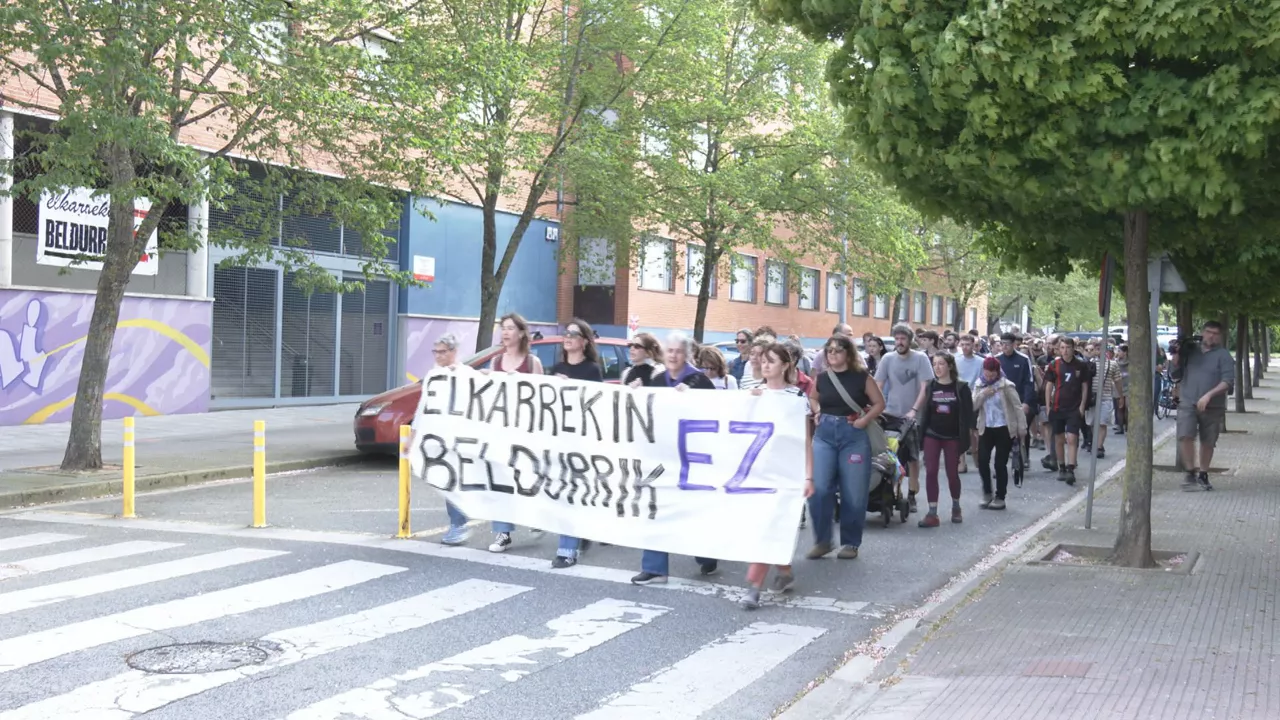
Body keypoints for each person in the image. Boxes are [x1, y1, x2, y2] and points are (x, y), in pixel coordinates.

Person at [632, 332, 718, 585]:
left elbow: (717, 415)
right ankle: (655, 568)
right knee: (655, 507)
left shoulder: (700, 381)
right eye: (669, 351)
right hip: (663, 457)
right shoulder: (658, 381)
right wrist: (636, 394)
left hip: (693, 458)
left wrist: (693, 400)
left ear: (687, 355)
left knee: (693, 510)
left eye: (678, 351)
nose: (673, 355)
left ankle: (707, 553)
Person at [741, 342, 813, 610]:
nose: (766, 364)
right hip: (757, 471)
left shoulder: (796, 399)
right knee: (766, 526)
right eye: (763, 360)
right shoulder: (752, 395)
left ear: (785, 365)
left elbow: (805, 440)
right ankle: (784, 570)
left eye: (772, 360)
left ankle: (754, 586)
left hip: (786, 473)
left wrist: (809, 476)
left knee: (769, 525)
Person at [807, 333, 887, 560]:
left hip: (853, 435)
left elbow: (880, 403)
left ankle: (851, 542)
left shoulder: (861, 377)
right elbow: (813, 398)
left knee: (854, 492)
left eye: (838, 350)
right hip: (824, 436)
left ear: (848, 353)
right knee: (819, 488)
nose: (832, 354)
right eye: (829, 350)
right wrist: (817, 410)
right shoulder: (822, 378)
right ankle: (823, 540)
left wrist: (864, 420)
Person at [547, 319, 604, 568]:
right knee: (564, 495)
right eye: (565, 333)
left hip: (581, 440)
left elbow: (596, 405)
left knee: (571, 493)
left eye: (573, 333)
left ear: (584, 341)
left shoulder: (592, 370)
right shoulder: (557, 367)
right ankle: (583, 531)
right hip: (558, 439)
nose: (567, 337)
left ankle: (567, 551)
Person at [487, 313, 545, 553]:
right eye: (503, 328)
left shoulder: (532, 363)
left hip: (526, 430)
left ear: (521, 333)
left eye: (511, 328)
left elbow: (543, 396)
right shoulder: (496, 362)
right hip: (503, 430)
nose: (506, 332)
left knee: (527, 478)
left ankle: (538, 516)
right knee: (501, 480)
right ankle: (503, 532)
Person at [875, 323, 933, 512]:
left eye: (903, 339)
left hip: (913, 415)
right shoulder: (887, 359)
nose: (899, 342)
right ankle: (892, 492)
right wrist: (877, 407)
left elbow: (925, 388)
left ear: (910, 340)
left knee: (913, 456)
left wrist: (914, 410)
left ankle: (912, 493)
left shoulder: (920, 359)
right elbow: (878, 384)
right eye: (897, 339)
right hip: (890, 413)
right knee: (890, 454)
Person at [1171, 321, 1235, 491]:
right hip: (1188, 401)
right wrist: (1176, 356)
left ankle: (1203, 474)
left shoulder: (1224, 355)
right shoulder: (1191, 351)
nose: (1211, 336)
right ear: (1202, 332)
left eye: (1215, 333)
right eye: (1208, 332)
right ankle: (1190, 472)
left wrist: (1209, 395)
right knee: (1185, 435)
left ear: (1219, 336)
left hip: (1213, 406)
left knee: (1208, 441)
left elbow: (1227, 382)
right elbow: (1174, 373)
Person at [915, 352, 974, 527]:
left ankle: (956, 506)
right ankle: (932, 513)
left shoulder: (961, 387)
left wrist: (968, 437)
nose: (937, 368)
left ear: (949, 366)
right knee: (931, 471)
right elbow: (926, 412)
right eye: (935, 364)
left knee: (952, 473)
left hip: (953, 436)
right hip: (932, 433)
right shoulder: (931, 386)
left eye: (941, 364)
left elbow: (968, 415)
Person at [430, 333, 473, 546]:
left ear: (453, 352)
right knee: (448, 482)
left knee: (455, 481)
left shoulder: (464, 373)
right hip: (442, 439)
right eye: (435, 351)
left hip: (462, 439)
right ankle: (458, 523)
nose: (438, 355)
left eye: (442, 351)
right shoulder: (435, 375)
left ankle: (459, 524)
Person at [972, 356, 1027, 510]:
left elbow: (1017, 407)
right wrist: (983, 394)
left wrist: (1022, 428)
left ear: (997, 372)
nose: (989, 377)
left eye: (992, 375)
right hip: (986, 427)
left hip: (1004, 427)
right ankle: (987, 492)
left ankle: (1000, 496)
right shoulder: (979, 384)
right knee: (982, 460)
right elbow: (973, 405)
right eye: (987, 374)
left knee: (999, 464)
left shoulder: (1006, 385)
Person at [1042, 336, 1093, 486]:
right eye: (1062, 348)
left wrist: (1082, 406)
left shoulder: (1081, 365)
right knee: (1059, 439)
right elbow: (1049, 386)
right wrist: (1048, 406)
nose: (1065, 351)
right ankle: (1062, 466)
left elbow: (1085, 387)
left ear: (1073, 348)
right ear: (1059, 349)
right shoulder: (1054, 364)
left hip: (1074, 408)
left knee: (1072, 438)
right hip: (1058, 407)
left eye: (1068, 348)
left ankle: (1071, 468)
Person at [1084, 339, 1123, 459]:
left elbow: (1118, 381)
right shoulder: (1088, 364)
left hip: (1106, 397)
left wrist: (1120, 396)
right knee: (1091, 423)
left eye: (1101, 348)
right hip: (1091, 398)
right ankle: (1094, 442)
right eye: (1096, 349)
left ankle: (1099, 447)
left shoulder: (1112, 364)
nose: (1098, 351)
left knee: (1102, 423)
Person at [953, 334, 984, 473]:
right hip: (959, 397)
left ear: (973, 345)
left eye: (968, 344)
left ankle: (978, 459)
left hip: (975, 398)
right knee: (960, 430)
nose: (965, 347)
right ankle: (962, 461)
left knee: (974, 431)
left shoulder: (981, 362)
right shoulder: (955, 360)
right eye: (963, 344)